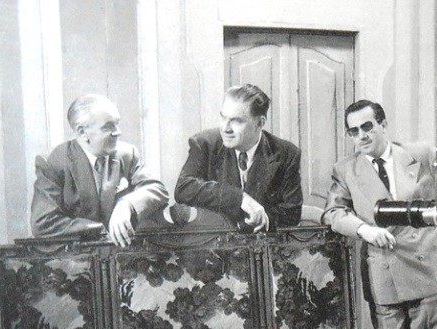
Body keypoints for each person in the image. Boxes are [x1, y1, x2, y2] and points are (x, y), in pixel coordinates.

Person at [322, 99, 437, 329]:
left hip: (428, 269)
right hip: (385, 271)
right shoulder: (346, 169)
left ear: (383, 125)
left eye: (367, 127)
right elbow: (333, 212)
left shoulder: (422, 154)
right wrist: (364, 229)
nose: (361, 136)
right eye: (354, 131)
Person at [30, 94, 168, 247]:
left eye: (117, 124)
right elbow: (43, 223)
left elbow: (156, 189)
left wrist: (127, 204)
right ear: (82, 132)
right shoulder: (53, 162)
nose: (118, 132)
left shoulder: (127, 153)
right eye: (108, 126)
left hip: (124, 253)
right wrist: (99, 230)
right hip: (78, 256)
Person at [175, 84, 302, 231]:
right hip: (213, 241)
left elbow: (292, 213)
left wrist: (260, 220)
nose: (225, 128)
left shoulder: (286, 153)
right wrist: (240, 198)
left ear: (260, 123)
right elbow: (183, 188)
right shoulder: (205, 143)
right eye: (223, 117)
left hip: (261, 241)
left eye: (236, 121)